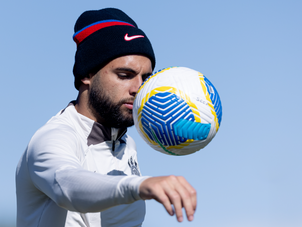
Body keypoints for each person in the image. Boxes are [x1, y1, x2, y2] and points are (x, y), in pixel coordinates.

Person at [15, 8, 196, 227]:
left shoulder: (126, 144)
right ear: (87, 74)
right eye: (125, 75)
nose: (139, 89)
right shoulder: (54, 136)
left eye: (146, 78)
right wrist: (139, 185)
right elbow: (67, 185)